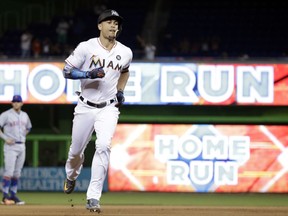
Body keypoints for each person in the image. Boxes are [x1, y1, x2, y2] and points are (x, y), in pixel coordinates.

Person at [62, 9, 133, 213]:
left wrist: (120, 91)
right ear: (99, 25)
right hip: (85, 105)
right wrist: (87, 73)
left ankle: (93, 197)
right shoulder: (86, 47)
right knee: (76, 152)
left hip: (109, 108)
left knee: (103, 146)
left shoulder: (125, 51)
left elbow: (125, 72)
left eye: (116, 23)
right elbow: (66, 71)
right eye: (109, 22)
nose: (113, 26)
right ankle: (71, 175)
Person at [0, 95, 32, 205]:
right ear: (12, 103)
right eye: (14, 101)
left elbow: (29, 127)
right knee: (9, 171)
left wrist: (23, 136)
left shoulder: (25, 115)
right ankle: (5, 196)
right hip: (10, 147)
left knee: (17, 173)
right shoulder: (6, 115)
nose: (16, 103)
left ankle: (13, 195)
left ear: (22, 103)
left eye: (18, 101)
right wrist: (5, 138)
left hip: (22, 146)